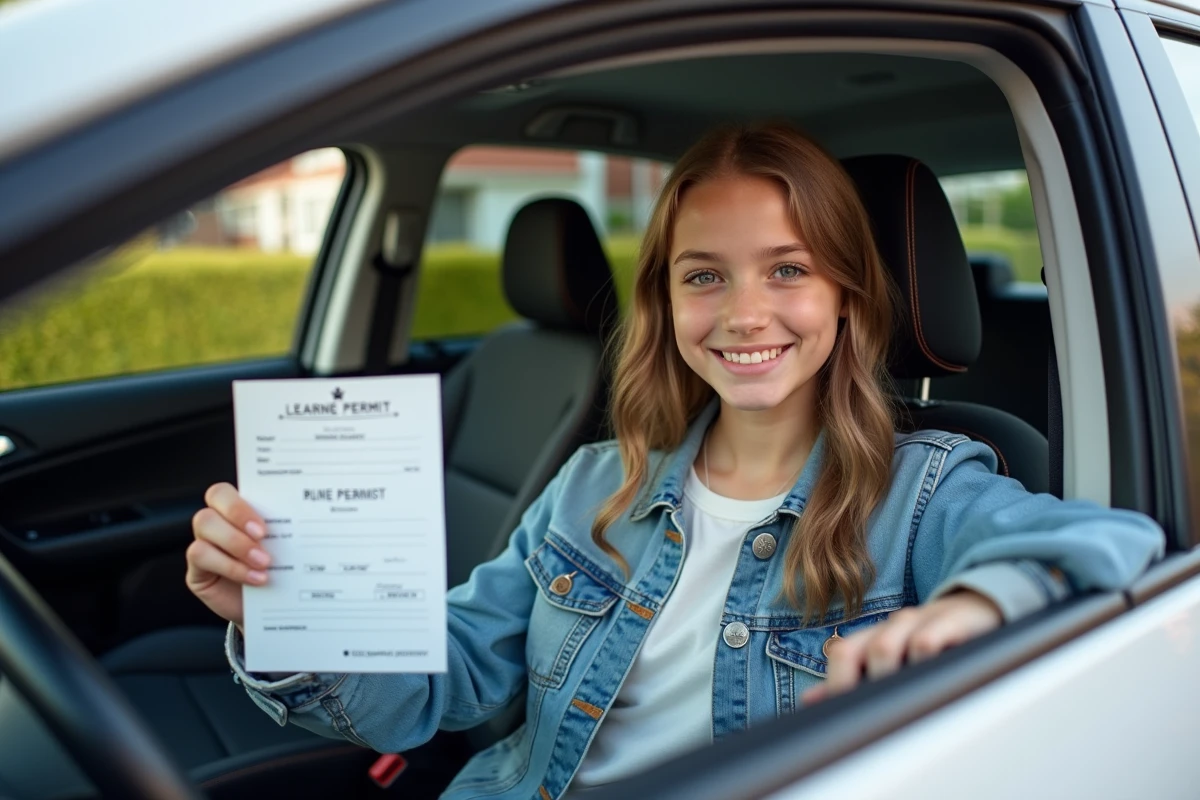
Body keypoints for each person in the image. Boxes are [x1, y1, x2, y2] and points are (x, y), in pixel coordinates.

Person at [186, 123, 1165, 799]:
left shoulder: (928, 491)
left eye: (788, 269)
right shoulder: (591, 488)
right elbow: (429, 691)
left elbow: (1107, 538)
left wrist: (975, 605)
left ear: (850, 301)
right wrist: (285, 615)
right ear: (665, 302)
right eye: (706, 275)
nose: (744, 312)